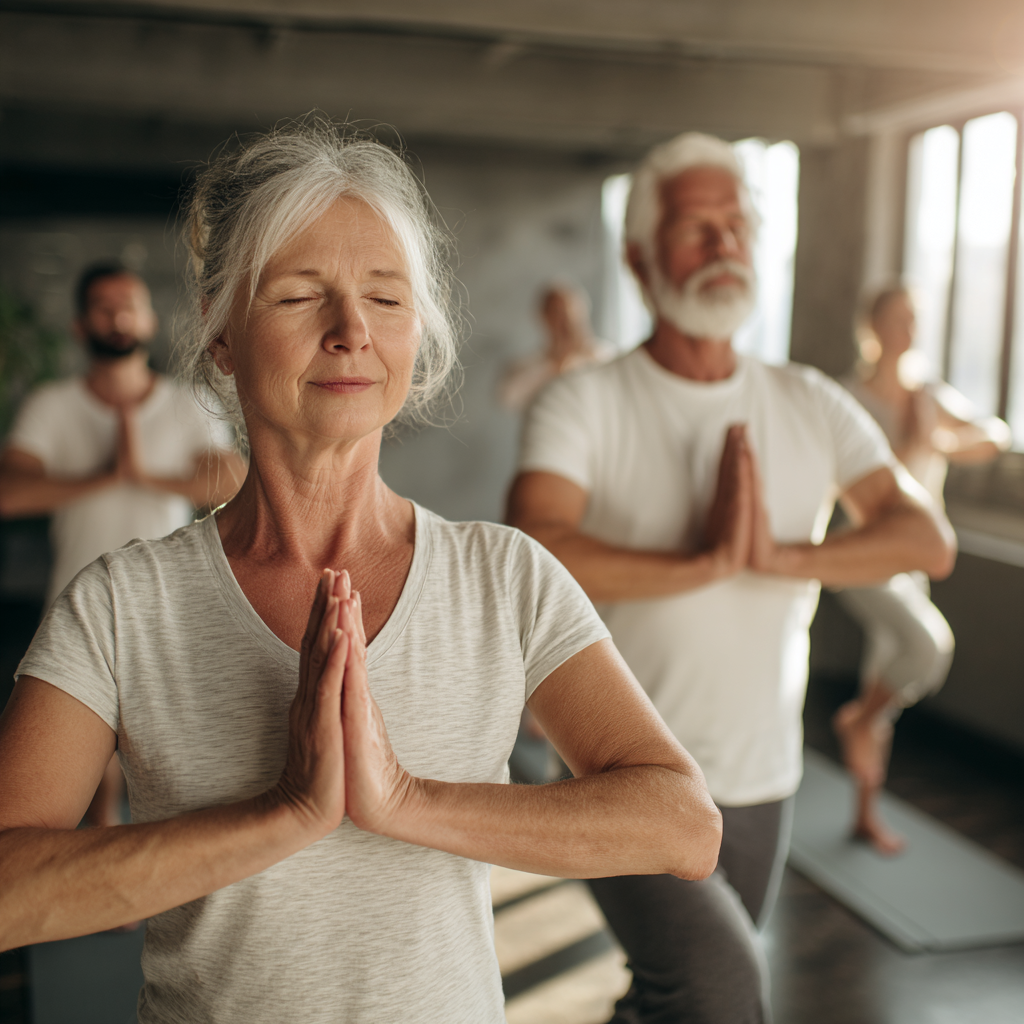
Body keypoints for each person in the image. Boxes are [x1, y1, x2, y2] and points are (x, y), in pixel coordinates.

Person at [0, 121, 722, 1024]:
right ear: (221, 335)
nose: (351, 333)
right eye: (304, 296)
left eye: (386, 298)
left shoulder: (505, 579)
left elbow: (683, 824)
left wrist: (405, 800)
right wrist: (285, 814)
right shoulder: (122, 604)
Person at [507, 132, 957, 1024]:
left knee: (674, 994)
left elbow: (926, 539)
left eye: (736, 225)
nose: (722, 244)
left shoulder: (810, 400)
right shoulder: (585, 400)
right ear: (638, 258)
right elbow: (535, 543)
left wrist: (779, 557)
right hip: (621, 773)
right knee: (721, 992)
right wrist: (700, 563)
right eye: (694, 227)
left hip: (762, 774)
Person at [0, 262, 245, 829]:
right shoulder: (52, 404)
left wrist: (141, 473)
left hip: (167, 596)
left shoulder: (187, 402)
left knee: (162, 724)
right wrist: (104, 474)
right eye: (104, 307)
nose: (118, 317)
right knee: (84, 732)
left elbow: (232, 482)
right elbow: (9, 492)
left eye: (128, 304)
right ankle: (103, 845)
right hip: (74, 593)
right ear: (80, 325)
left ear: (149, 318)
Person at [832, 283, 1010, 854]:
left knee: (887, 669)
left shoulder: (930, 395)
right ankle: (859, 720)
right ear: (872, 326)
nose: (905, 330)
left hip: (911, 558)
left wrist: (942, 438)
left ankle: (865, 810)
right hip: (863, 553)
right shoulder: (850, 397)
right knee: (928, 647)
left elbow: (996, 433)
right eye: (894, 319)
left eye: (912, 320)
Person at [498, 283, 613, 411]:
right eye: (558, 312)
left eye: (572, 311)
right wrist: (556, 363)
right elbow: (508, 398)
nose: (566, 320)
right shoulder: (529, 364)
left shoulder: (603, 356)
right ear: (544, 317)